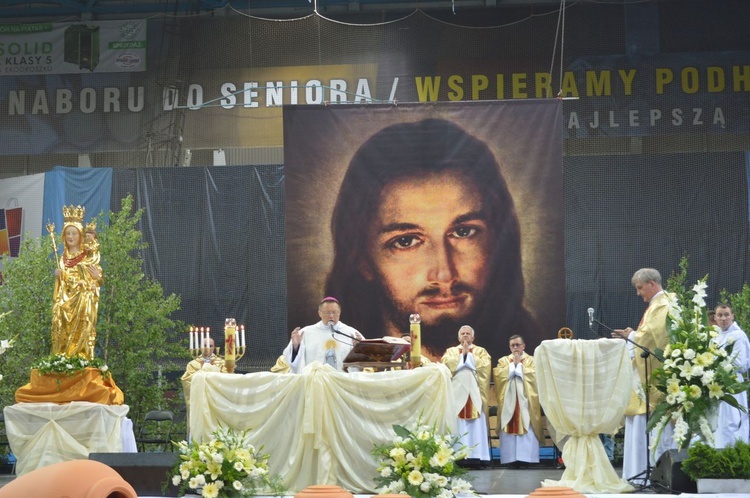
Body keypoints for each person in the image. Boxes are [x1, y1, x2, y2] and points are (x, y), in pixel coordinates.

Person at [324, 118, 539, 361]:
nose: (444, 275)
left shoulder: (531, 355)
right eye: (406, 242)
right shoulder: (344, 360)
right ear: (363, 258)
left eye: (463, 232)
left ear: (498, 240)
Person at [612, 268, 675, 483]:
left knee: (648, 428)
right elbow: (648, 335)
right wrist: (633, 335)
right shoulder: (656, 306)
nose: (639, 293)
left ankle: (649, 476)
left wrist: (632, 336)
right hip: (645, 377)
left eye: (640, 288)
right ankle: (640, 474)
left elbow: (656, 340)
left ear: (651, 284)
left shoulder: (662, 305)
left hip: (652, 381)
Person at [51, 205, 103, 360]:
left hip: (81, 299)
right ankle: (62, 356)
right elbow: (60, 286)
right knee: (59, 312)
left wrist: (95, 280)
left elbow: (98, 279)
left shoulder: (87, 257)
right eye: (68, 233)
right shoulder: (62, 258)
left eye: (74, 233)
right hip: (66, 297)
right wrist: (59, 276)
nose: (71, 236)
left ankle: (80, 355)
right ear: (63, 236)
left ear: (80, 235)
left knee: (83, 321)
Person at [440, 325, 492, 467]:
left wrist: (467, 355)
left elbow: (485, 366)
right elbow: (445, 365)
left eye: (468, 334)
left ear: (473, 337)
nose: (465, 336)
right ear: (458, 337)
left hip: (474, 393)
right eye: (462, 334)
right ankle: (458, 456)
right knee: (459, 425)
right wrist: (462, 355)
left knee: (475, 425)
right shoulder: (451, 351)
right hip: (456, 393)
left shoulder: (480, 351)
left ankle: (477, 456)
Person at [493, 334, 543, 468]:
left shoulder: (532, 360)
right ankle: (511, 460)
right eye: (512, 345)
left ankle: (526, 459)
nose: (515, 348)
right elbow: (498, 374)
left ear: (523, 346)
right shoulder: (504, 361)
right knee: (509, 424)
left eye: (518, 345)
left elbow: (536, 375)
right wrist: (512, 367)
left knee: (527, 424)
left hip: (526, 401)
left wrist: (518, 367)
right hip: (509, 401)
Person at [282, 297, 364, 373]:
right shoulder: (305, 333)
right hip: (316, 382)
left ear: (340, 313)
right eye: (327, 313)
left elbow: (365, 363)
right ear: (319, 313)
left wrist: (359, 349)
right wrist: (295, 347)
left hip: (342, 382)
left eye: (335, 312)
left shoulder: (351, 334)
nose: (331, 316)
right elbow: (292, 362)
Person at [712, 303, 750, 447]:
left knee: (731, 421)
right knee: (719, 422)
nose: (723, 318)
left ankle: (733, 452)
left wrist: (719, 367)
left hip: (733, 384)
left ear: (732, 316)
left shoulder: (738, 335)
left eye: (726, 315)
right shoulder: (715, 336)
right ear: (715, 318)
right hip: (717, 385)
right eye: (720, 315)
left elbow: (740, 363)